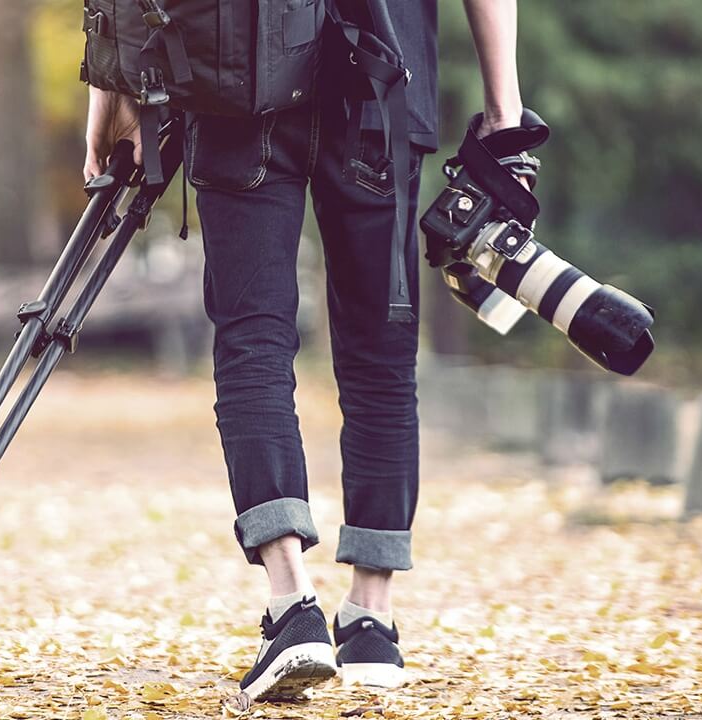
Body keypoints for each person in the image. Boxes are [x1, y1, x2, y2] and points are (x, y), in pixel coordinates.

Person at [84, 0, 525, 702]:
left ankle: (294, 608)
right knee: (381, 357)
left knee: (254, 341)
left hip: (237, 78)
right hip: (383, 79)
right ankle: (372, 619)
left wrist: (112, 91)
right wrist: (506, 108)